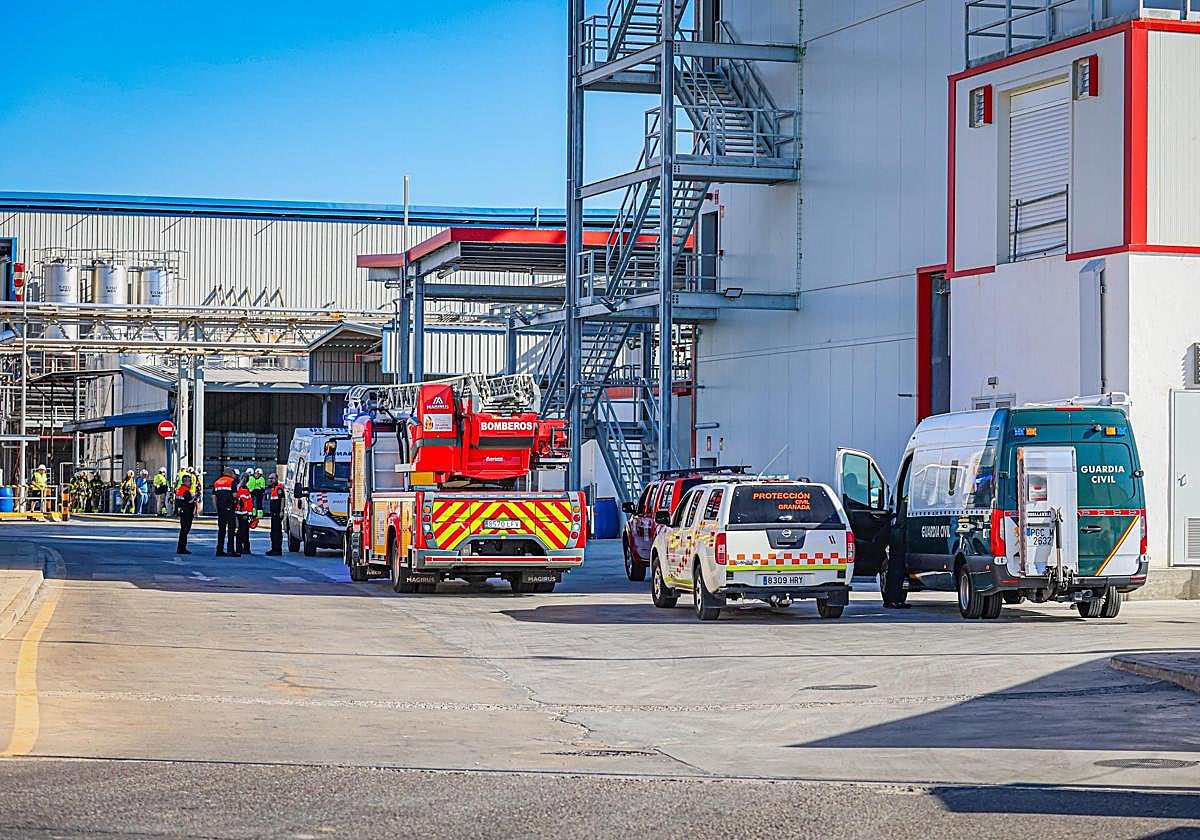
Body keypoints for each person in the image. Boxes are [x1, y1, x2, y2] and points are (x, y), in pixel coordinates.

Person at [213, 468, 238, 557]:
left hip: (221, 509)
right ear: (230, 473)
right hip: (230, 508)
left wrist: (217, 509)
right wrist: (236, 502)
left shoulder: (217, 482)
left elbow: (214, 497)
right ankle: (230, 550)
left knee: (221, 530)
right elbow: (235, 495)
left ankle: (219, 550)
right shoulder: (232, 481)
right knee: (231, 529)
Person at [175, 474, 198, 555]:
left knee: (183, 531)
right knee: (185, 531)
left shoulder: (179, 489)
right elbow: (189, 502)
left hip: (182, 511)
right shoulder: (186, 491)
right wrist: (195, 498)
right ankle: (182, 548)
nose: (191, 483)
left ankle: (180, 547)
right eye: (190, 481)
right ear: (186, 482)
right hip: (187, 512)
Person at [264, 473, 285, 556]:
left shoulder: (279, 488)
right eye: (269, 478)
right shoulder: (273, 489)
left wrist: (281, 511)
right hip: (273, 514)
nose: (270, 480)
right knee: (273, 532)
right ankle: (274, 548)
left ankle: (277, 549)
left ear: (276, 479)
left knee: (276, 532)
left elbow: (282, 499)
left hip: (277, 514)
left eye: (272, 478)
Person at [236, 475, 254, 555]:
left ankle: (238, 548)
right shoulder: (246, 490)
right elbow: (249, 503)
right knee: (245, 532)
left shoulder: (237, 488)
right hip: (244, 514)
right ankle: (246, 549)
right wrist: (250, 514)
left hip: (237, 513)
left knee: (238, 532)